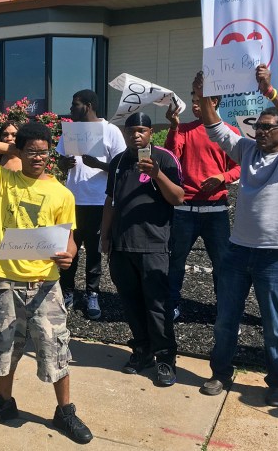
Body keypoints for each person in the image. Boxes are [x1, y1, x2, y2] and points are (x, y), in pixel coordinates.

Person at [0, 122, 92, 445]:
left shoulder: (61, 193)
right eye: (32, 151)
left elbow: (70, 241)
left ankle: (64, 412)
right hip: (8, 283)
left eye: (44, 152)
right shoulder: (4, 180)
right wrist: (12, 148)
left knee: (55, 348)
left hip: (46, 285)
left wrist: (68, 256)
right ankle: (4, 404)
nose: (39, 158)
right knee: (4, 346)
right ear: (21, 152)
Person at [195, 65, 278, 408]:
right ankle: (220, 373)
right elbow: (216, 129)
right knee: (225, 320)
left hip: (276, 257)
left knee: (275, 327)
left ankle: (277, 382)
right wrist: (205, 97)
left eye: (266, 128)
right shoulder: (247, 151)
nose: (259, 132)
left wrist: (271, 93)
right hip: (237, 253)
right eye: (257, 127)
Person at [100, 112, 184, 386]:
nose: (136, 135)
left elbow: (178, 197)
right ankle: (142, 351)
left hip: (153, 246)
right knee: (131, 303)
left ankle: (165, 359)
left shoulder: (164, 158)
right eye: (131, 131)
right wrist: (105, 235)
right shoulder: (118, 162)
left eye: (141, 130)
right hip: (122, 246)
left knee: (157, 305)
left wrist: (157, 174)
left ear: (150, 132)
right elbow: (111, 200)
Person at [165, 91, 241, 320]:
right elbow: (171, 155)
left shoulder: (230, 133)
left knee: (222, 265)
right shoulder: (185, 129)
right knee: (175, 261)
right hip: (184, 208)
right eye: (193, 101)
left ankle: (224, 309)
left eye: (199, 102)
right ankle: (171, 305)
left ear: (214, 102)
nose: (194, 105)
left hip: (216, 209)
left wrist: (222, 177)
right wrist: (173, 127)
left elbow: (239, 167)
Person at [56, 89, 126, 319]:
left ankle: (92, 294)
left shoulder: (111, 131)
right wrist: (64, 163)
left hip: (98, 201)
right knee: (69, 249)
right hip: (71, 200)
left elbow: (122, 167)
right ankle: (67, 291)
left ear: (87, 105)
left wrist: (98, 164)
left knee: (95, 252)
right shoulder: (70, 133)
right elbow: (59, 162)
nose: (70, 109)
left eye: (74, 105)